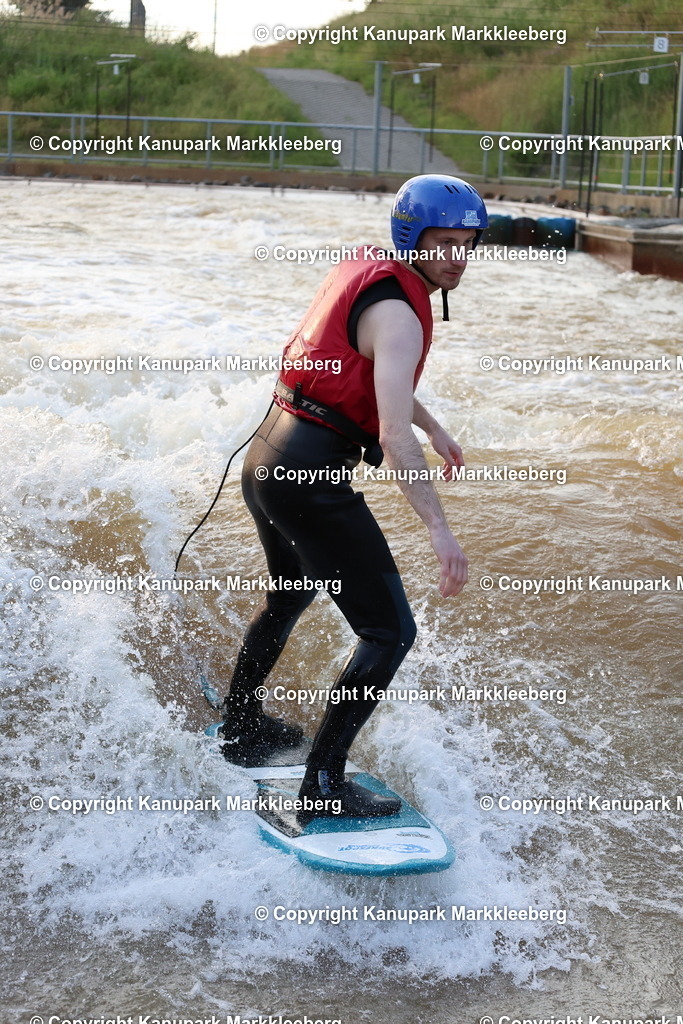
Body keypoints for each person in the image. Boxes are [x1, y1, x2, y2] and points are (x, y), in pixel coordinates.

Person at [219, 174, 488, 820]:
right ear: (410, 238)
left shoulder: (371, 276)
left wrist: (434, 424)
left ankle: (238, 722)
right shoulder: (400, 312)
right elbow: (389, 433)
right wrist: (438, 530)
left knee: (288, 596)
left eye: (466, 242)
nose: (456, 254)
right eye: (443, 241)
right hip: (309, 478)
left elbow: (370, 375)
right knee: (388, 630)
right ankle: (321, 788)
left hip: (268, 457)